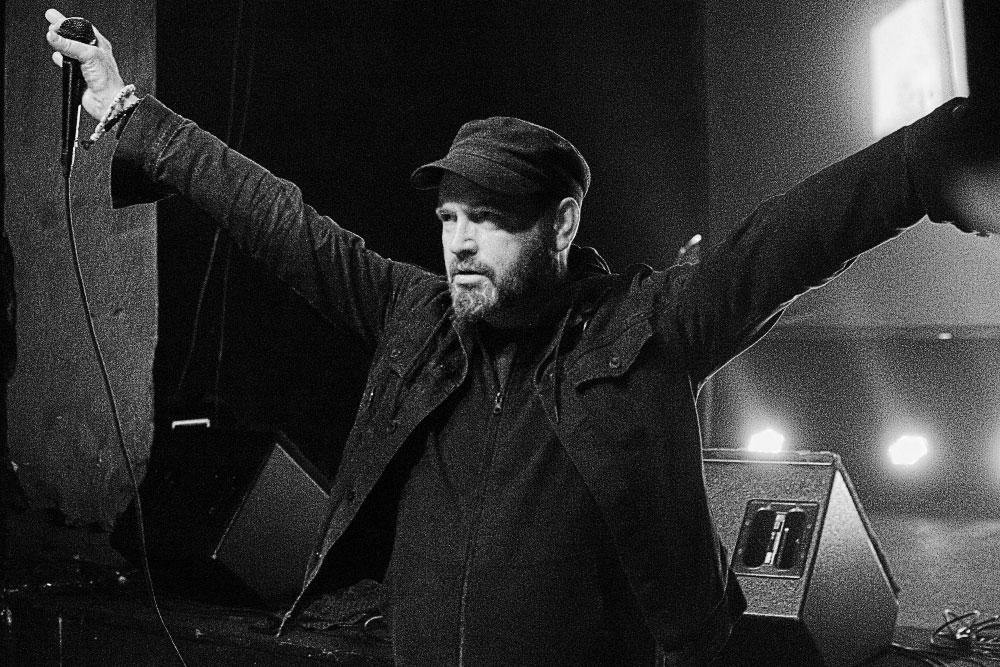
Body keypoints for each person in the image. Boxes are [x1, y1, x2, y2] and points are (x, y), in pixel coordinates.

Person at [44, 8, 998, 667]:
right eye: (450, 217)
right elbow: (281, 221)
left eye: (491, 219)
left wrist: (935, 157)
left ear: (562, 223)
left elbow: (792, 238)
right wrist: (129, 109)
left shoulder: (642, 329)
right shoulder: (416, 319)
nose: (459, 241)